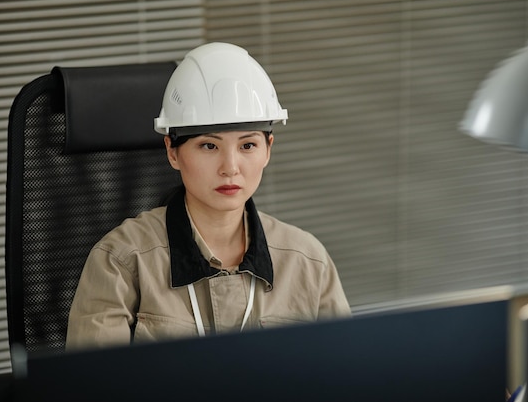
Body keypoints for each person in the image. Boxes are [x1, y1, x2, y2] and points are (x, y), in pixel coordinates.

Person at [66, 42, 351, 349]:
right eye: (209, 146)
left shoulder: (308, 262)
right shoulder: (122, 261)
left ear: (269, 149)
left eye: (247, 146)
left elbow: (348, 376)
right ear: (172, 152)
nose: (230, 168)